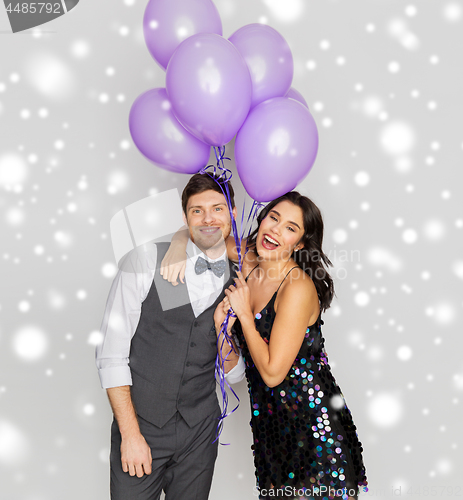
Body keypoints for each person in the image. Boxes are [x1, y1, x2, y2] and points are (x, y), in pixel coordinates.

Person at [164, 191, 368, 499]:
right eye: (273, 218)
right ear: (262, 219)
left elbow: (273, 373)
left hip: (314, 429)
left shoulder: (297, 286)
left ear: (299, 244)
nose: (275, 229)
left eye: (290, 228)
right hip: (271, 428)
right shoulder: (248, 258)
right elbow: (204, 236)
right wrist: (179, 243)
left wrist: (245, 314)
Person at [95, 173, 245, 500]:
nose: (208, 219)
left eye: (218, 209)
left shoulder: (243, 277)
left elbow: (235, 375)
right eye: (197, 211)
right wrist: (130, 435)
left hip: (200, 433)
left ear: (233, 213)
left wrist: (222, 329)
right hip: (142, 426)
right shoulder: (145, 260)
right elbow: (110, 355)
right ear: (184, 217)